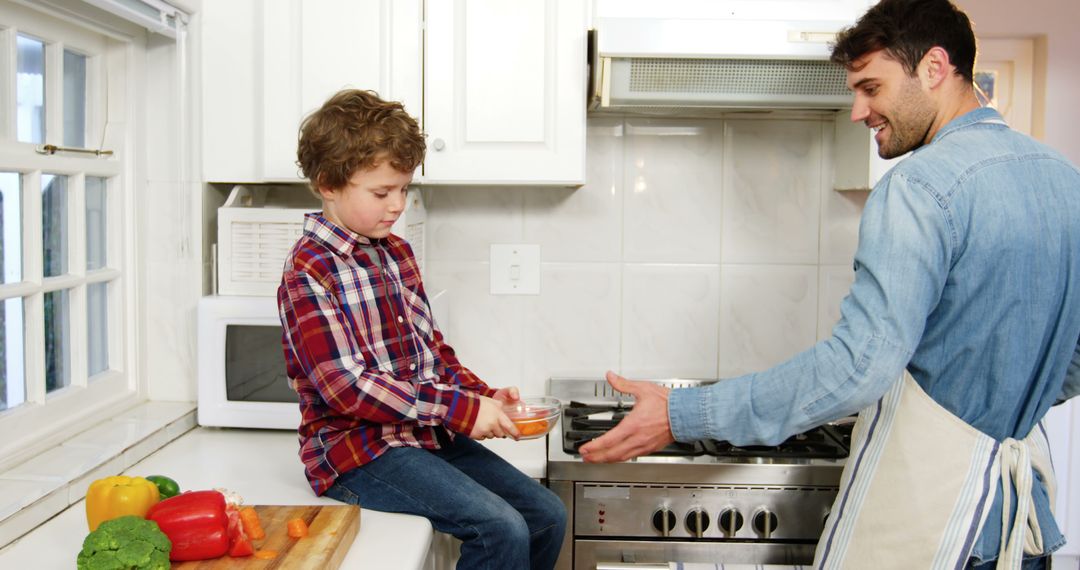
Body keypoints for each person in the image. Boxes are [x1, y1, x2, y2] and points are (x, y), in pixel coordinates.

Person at [579, 0, 1080, 568]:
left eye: (872, 87)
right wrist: (997, 399)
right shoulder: (1067, 181)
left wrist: (680, 413)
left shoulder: (920, 185)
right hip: (1020, 522)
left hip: (934, 522)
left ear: (935, 68)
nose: (857, 111)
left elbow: (856, 369)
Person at [278, 89, 566, 569]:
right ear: (328, 183)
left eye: (403, 189)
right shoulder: (308, 271)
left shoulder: (396, 251)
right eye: (381, 192)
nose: (397, 205)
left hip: (423, 434)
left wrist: (485, 398)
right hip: (357, 453)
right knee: (499, 528)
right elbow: (345, 389)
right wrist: (459, 409)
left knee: (548, 515)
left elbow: (432, 353)